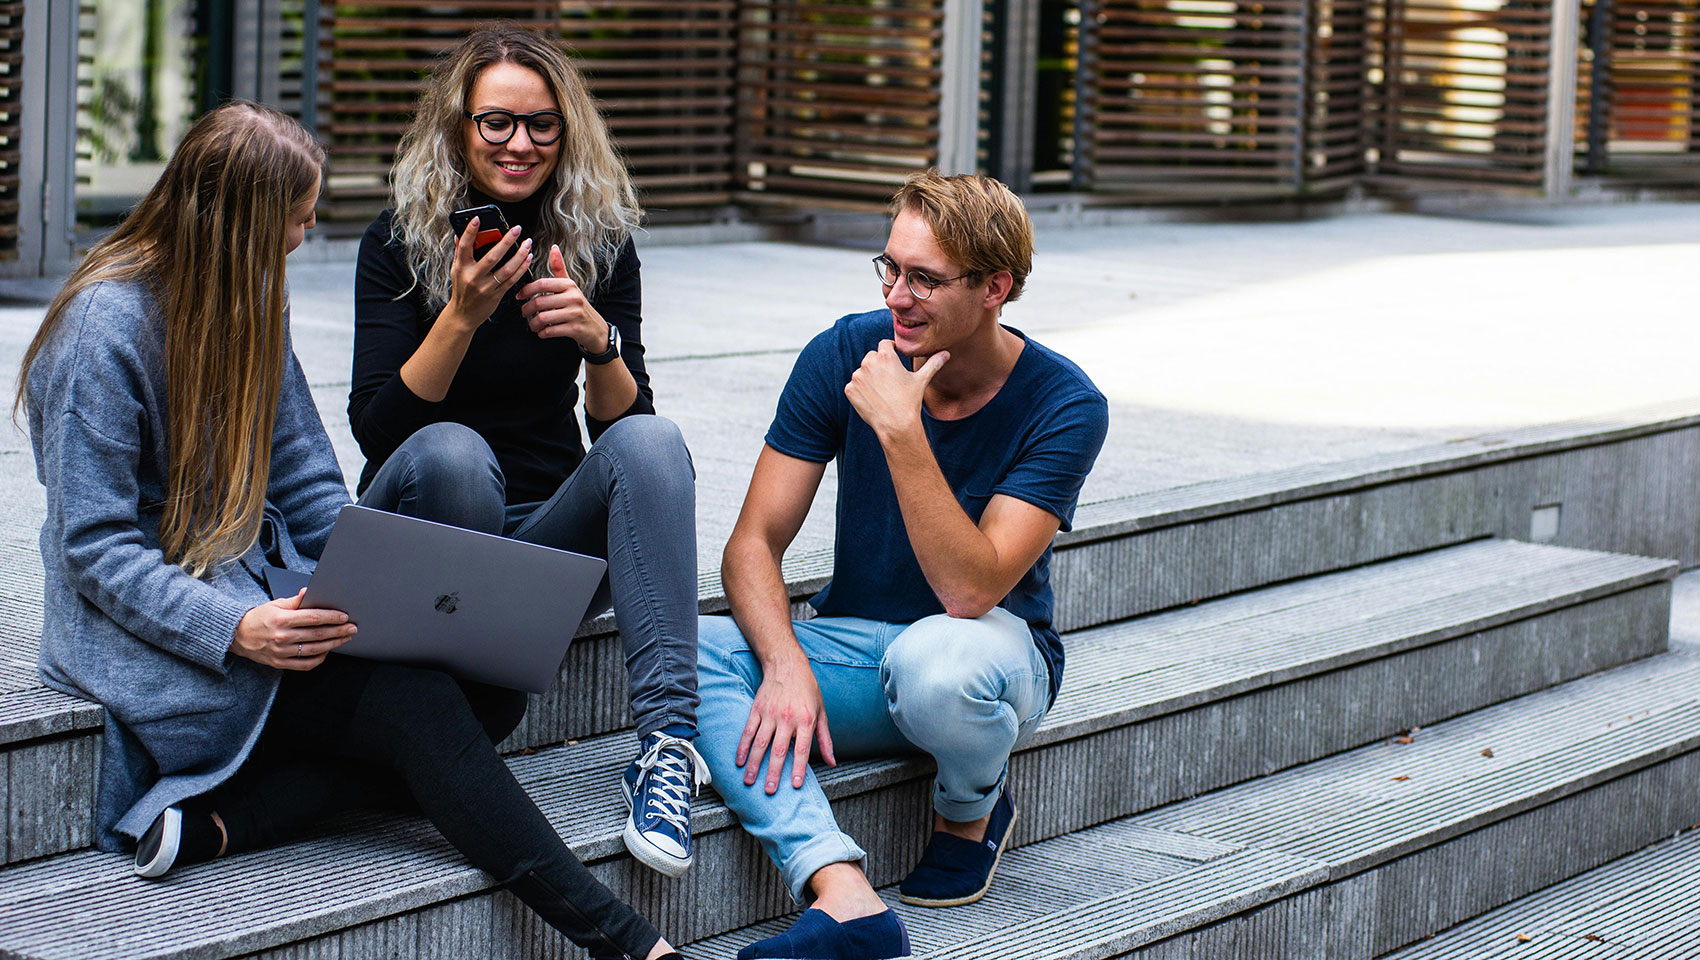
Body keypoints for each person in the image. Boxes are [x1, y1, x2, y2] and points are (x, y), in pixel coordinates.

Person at [17, 102, 685, 960]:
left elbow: (306, 482)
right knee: (421, 708)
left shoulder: (249, 297)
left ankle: (229, 821)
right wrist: (237, 628)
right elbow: (94, 546)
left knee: (492, 698)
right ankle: (626, 941)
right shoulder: (101, 331)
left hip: (267, 599)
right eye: (294, 222)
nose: (300, 241)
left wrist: (365, 582)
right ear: (239, 219)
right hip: (163, 636)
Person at [696, 172, 1109, 959]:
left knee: (938, 662)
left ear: (996, 287)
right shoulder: (844, 351)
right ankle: (840, 891)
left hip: (987, 655)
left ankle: (970, 805)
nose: (897, 295)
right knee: (689, 650)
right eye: (889, 267)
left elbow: (971, 588)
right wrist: (784, 663)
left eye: (924, 278)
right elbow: (752, 543)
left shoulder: (1065, 404)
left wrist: (902, 431)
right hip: (854, 647)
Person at [349, 23, 705, 879]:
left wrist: (599, 342)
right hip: (428, 531)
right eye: (496, 123)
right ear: (458, 127)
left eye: (542, 124)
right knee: (454, 454)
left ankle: (665, 749)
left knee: (655, 443)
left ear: (567, 129)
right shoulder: (397, 243)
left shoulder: (598, 240)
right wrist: (461, 316)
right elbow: (378, 431)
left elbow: (627, 438)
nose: (520, 144)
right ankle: (445, 714)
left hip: (541, 548)